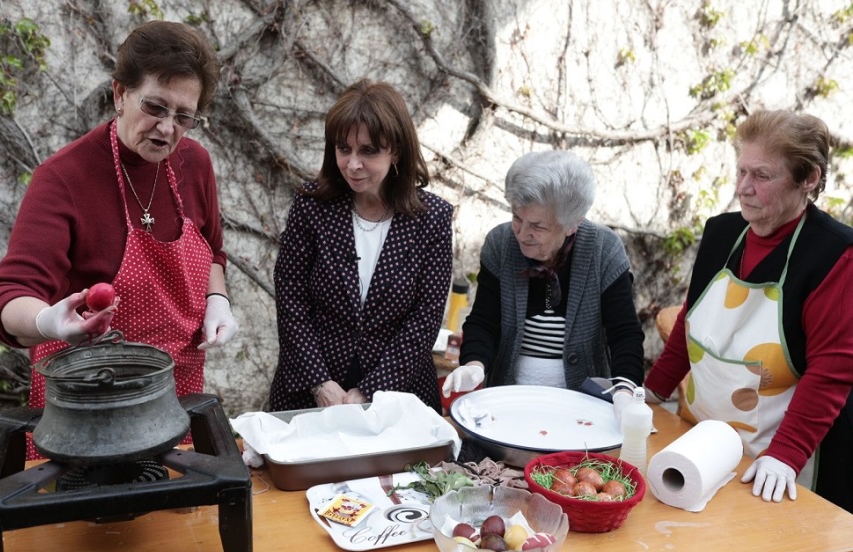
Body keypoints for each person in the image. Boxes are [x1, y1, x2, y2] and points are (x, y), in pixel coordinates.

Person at [0, 21, 239, 458]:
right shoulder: (63, 178)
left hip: (177, 404)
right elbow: (3, 297)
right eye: (155, 106)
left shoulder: (195, 163)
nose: (167, 129)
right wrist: (48, 322)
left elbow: (212, 252)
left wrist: (218, 300)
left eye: (184, 117)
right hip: (86, 417)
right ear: (120, 94)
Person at [636, 110, 853, 513]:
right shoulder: (720, 233)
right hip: (698, 440)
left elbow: (831, 370)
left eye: (762, 176)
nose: (743, 188)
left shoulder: (834, 254)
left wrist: (786, 454)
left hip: (774, 461)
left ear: (809, 179)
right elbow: (691, 321)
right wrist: (652, 391)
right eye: (741, 171)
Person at [268, 79, 453, 413]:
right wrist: (320, 383)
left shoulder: (431, 219)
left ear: (396, 151)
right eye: (344, 149)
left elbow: (424, 319)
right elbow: (291, 297)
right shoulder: (312, 206)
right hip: (312, 391)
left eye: (368, 151)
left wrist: (371, 391)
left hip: (397, 397)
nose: (353, 164)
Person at [442, 150, 645, 398]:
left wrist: (624, 391)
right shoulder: (500, 244)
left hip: (583, 403)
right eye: (517, 217)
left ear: (572, 225)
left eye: (537, 226)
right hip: (508, 396)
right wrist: (474, 365)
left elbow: (624, 334)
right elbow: (484, 322)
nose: (522, 233)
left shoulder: (604, 250)